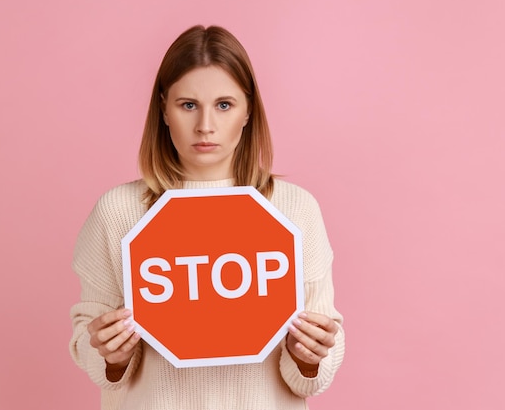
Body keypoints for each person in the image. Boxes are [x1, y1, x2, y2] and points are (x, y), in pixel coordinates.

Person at [69, 25, 345, 410]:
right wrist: (110, 356)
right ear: (163, 108)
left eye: (224, 105)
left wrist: (309, 355)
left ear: (249, 110)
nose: (205, 126)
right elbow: (91, 348)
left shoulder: (295, 209)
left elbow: (314, 373)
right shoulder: (119, 211)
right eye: (188, 105)